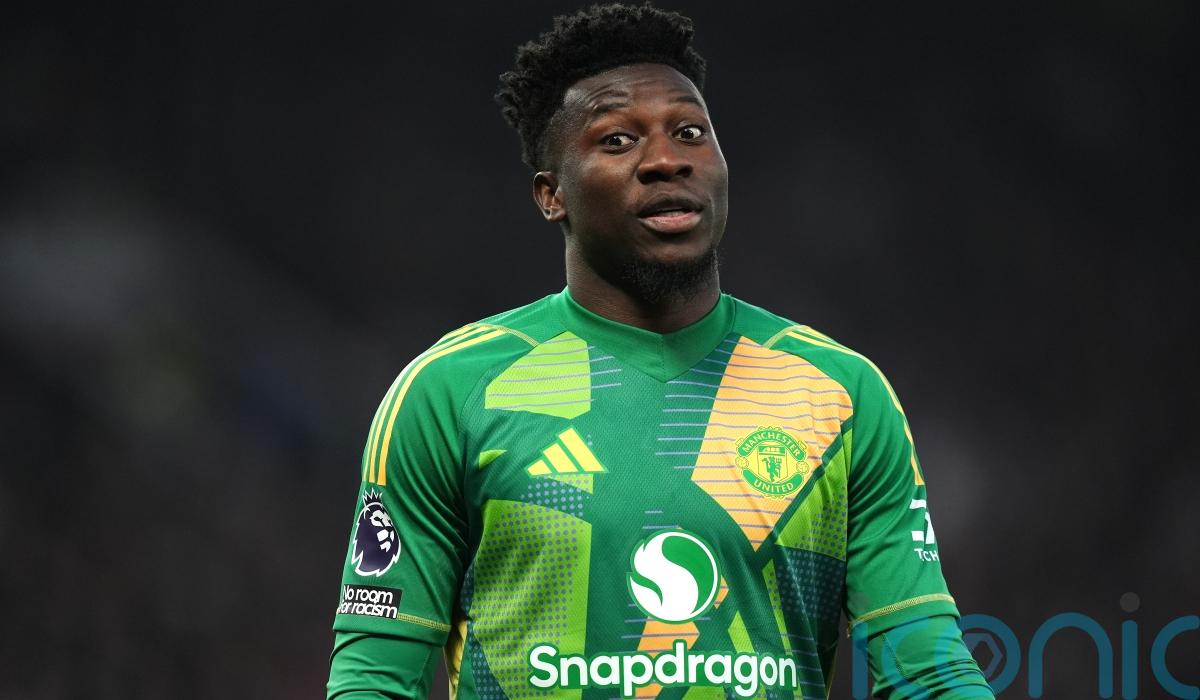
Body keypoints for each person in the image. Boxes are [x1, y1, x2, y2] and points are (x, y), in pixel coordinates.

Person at [327, 3, 993, 698]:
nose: (667, 160)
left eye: (689, 132)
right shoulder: (450, 393)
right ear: (552, 195)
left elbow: (927, 672)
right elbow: (375, 680)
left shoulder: (839, 394)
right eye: (618, 140)